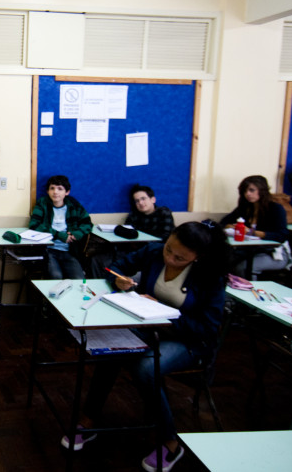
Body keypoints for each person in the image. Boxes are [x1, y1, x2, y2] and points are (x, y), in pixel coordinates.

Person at [62, 221, 230, 472]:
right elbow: (115, 267)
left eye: (180, 257)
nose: (170, 257)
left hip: (189, 342)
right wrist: (118, 280)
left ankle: (171, 442)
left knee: (145, 368)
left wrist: (167, 314)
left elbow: (208, 327)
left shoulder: (211, 276)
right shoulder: (154, 251)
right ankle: (89, 421)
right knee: (111, 350)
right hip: (150, 327)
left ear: (198, 257)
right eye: (169, 249)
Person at [90, 184, 175, 278]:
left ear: (153, 199)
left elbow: (166, 236)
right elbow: (126, 235)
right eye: (137, 201)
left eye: (143, 199)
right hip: (131, 250)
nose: (140, 203)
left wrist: (144, 239)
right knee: (97, 259)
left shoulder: (163, 213)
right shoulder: (134, 215)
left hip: (153, 252)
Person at [220, 175, 290, 279]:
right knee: (221, 260)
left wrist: (251, 232)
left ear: (262, 190)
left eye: (252, 190)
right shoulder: (245, 208)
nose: (247, 194)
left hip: (274, 254)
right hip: (250, 251)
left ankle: (250, 291)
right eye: (245, 191)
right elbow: (223, 223)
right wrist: (230, 226)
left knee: (243, 267)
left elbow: (281, 235)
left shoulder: (275, 209)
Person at [28, 175, 92, 279]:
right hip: (48, 250)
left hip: (69, 251)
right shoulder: (42, 203)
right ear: (48, 191)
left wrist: (77, 233)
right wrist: (58, 235)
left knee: (78, 279)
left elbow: (87, 223)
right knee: (56, 277)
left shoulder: (73, 205)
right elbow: (34, 225)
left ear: (67, 192)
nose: (55, 192)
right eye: (52, 188)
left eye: (60, 189)